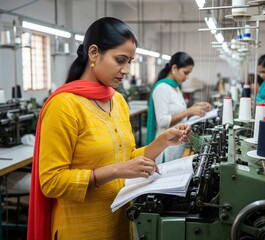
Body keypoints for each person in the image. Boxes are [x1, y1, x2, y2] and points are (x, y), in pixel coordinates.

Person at [27, 17, 191, 240]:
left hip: (120, 224)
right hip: (81, 231)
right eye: (120, 60)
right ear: (94, 53)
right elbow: (52, 182)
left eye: (130, 62)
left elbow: (127, 158)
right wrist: (116, 171)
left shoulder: (119, 102)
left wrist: (162, 142)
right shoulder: (64, 106)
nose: (126, 70)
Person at [146, 52, 212, 164]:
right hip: (166, 148)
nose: (187, 77)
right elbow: (163, 121)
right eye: (185, 73)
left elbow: (179, 114)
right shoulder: (162, 88)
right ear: (174, 68)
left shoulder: (175, 87)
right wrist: (188, 111)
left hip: (177, 143)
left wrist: (194, 108)